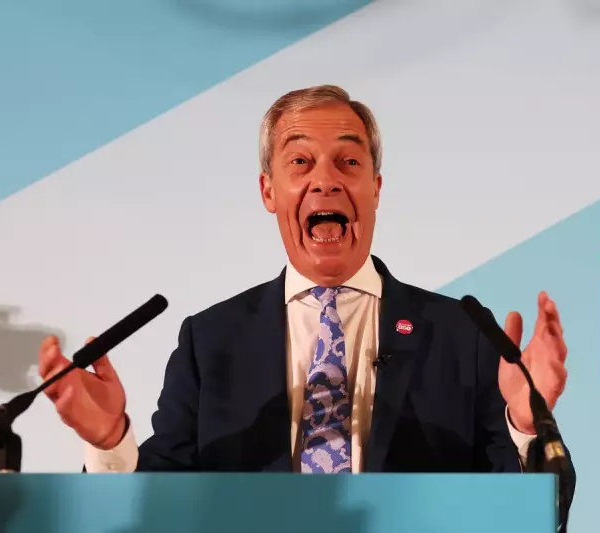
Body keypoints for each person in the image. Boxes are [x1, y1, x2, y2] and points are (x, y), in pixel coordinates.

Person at [38, 85, 570, 475]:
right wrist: (110, 441)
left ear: (375, 187)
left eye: (348, 161)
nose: (325, 180)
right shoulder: (211, 342)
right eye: (300, 161)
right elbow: (157, 508)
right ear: (268, 191)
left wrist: (528, 427)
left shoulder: (461, 335)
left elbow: (534, 514)